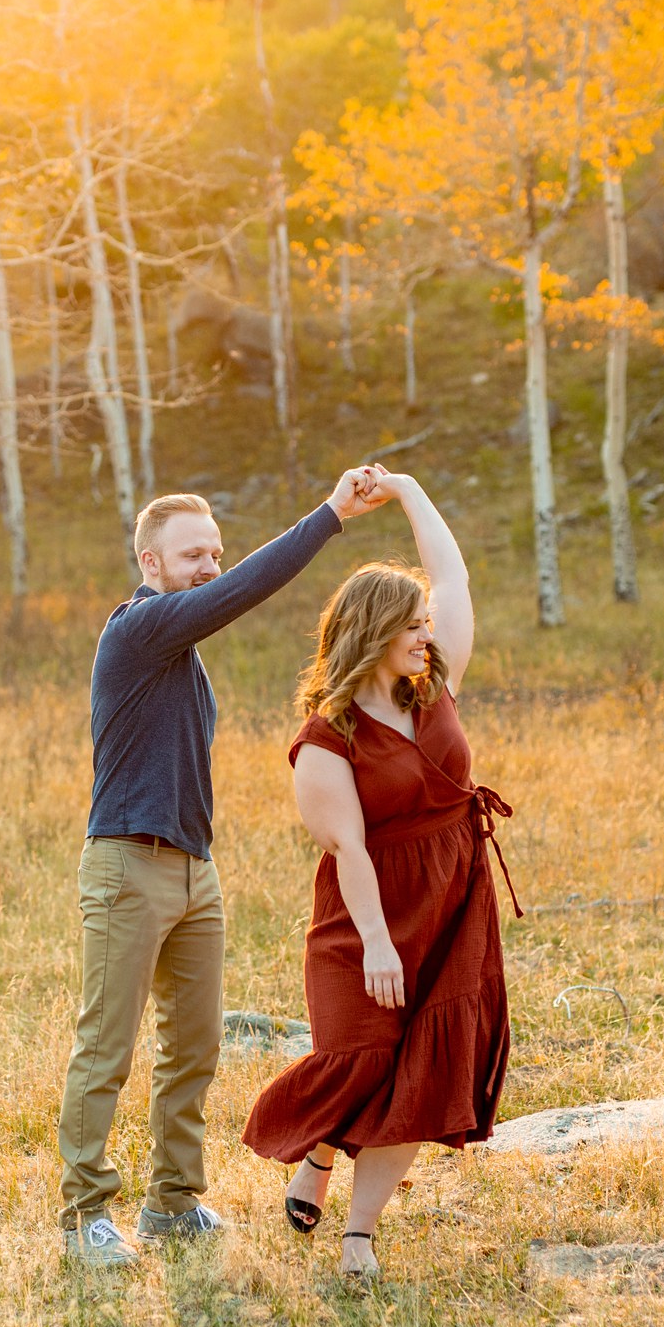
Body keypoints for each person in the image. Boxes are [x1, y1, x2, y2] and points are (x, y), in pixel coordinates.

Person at [60, 469, 394, 1267]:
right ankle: (82, 1217)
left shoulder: (181, 652)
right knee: (106, 1045)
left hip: (191, 873)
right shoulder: (137, 629)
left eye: (214, 552)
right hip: (125, 866)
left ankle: (173, 1201)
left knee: (194, 1044)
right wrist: (330, 515)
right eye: (190, 556)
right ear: (150, 562)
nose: (209, 566)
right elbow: (246, 588)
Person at [240, 468, 518, 1280]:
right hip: (368, 915)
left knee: (427, 1065)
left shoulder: (437, 690)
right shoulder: (326, 739)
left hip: (453, 901)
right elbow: (347, 850)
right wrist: (376, 945)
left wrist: (405, 490)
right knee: (361, 1056)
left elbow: (453, 575)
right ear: (371, 629)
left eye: (428, 626)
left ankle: (358, 1231)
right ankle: (320, 1142)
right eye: (412, 626)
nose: (426, 635)